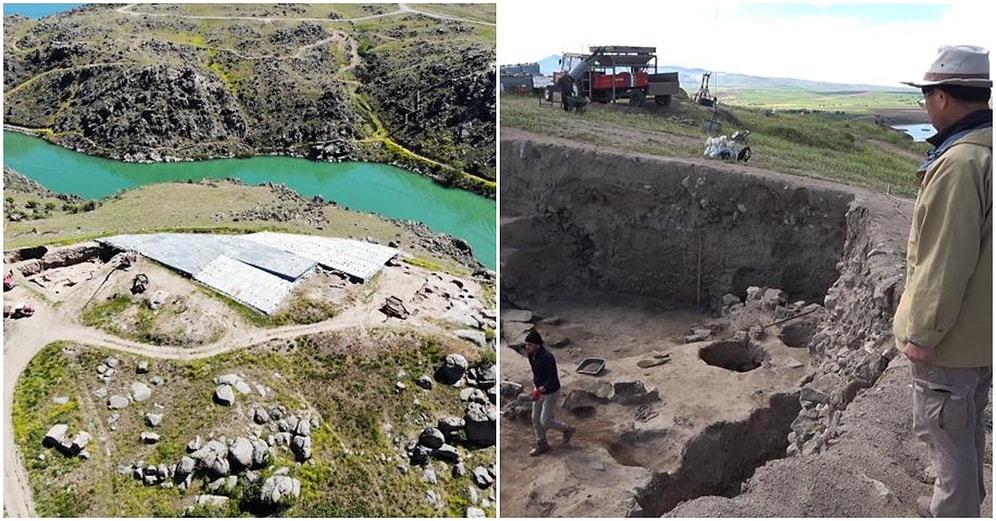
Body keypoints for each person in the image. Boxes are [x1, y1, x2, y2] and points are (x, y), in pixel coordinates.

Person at [894, 44, 992, 518]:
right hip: (981, 333)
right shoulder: (987, 152)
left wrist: (923, 334)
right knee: (967, 429)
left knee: (949, 443)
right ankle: (963, 505)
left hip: (950, 341)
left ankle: (955, 510)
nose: (926, 106)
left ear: (944, 99)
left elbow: (945, 260)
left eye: (926, 97)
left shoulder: (958, 164)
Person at [524, 329, 574, 456]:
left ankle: (567, 429)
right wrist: (535, 387)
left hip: (551, 392)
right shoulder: (531, 355)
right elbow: (536, 373)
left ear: (537, 345)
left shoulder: (548, 357)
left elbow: (552, 378)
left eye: (529, 344)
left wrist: (541, 389)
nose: (527, 347)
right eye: (527, 344)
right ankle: (542, 443)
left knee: (545, 420)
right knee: (535, 419)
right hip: (539, 391)